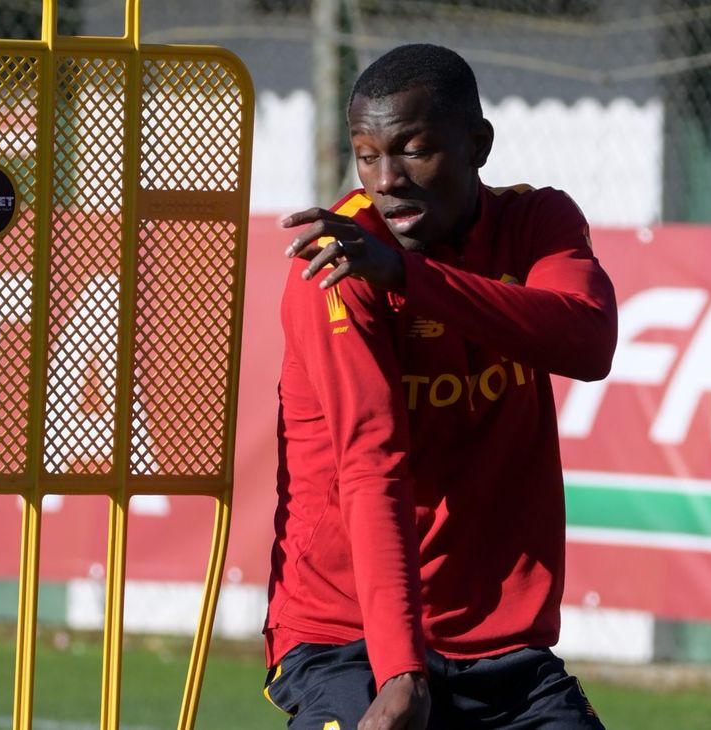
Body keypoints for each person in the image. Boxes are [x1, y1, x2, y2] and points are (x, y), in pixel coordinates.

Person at [263, 43, 617, 730]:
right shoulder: (339, 264)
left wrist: (411, 279)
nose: (386, 179)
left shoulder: (536, 224)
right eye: (367, 156)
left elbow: (588, 342)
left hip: (498, 647)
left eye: (413, 150)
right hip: (349, 637)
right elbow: (372, 465)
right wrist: (400, 672)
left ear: (477, 144)